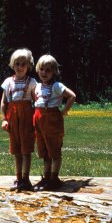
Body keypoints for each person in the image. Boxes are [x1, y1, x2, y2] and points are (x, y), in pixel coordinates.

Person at [32, 54, 76, 191]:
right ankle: (46, 178)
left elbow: (72, 96)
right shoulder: (37, 86)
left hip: (52, 120)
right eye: (42, 69)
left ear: (54, 72)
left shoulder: (57, 86)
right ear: (38, 70)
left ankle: (54, 178)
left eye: (48, 70)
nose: (44, 73)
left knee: (54, 149)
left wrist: (64, 111)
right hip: (39, 119)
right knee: (44, 150)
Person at [0, 48, 37, 191]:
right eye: (17, 64)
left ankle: (26, 179)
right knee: (16, 149)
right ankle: (18, 177)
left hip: (27, 117)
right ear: (12, 65)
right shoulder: (8, 82)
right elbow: (4, 102)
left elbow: (36, 101)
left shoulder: (32, 82)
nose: (20, 67)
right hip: (13, 117)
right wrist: (4, 119)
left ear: (29, 65)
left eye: (23, 64)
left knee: (26, 149)